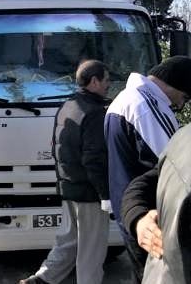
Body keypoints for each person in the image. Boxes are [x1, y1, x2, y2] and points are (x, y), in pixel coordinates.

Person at [20, 60, 112, 284]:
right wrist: (105, 195)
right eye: (107, 80)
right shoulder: (94, 113)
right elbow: (94, 159)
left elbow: (55, 146)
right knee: (91, 252)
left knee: (69, 241)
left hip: (68, 187)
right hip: (89, 193)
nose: (109, 84)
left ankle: (42, 279)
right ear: (94, 81)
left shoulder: (68, 105)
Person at [105, 56, 191, 282]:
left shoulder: (124, 99)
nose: (180, 106)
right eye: (185, 97)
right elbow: (177, 165)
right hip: (153, 221)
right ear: (175, 83)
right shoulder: (146, 107)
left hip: (132, 212)